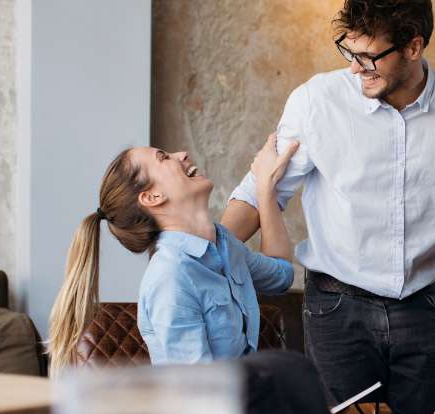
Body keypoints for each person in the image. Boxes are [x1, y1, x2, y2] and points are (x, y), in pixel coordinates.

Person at [220, 0, 435, 414]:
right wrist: (200, 251)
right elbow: (259, 192)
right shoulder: (316, 101)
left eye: (369, 57)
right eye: (349, 52)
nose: (356, 69)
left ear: (414, 46)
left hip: (424, 310)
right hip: (337, 313)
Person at [47, 134, 296, 369]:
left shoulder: (224, 245)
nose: (182, 154)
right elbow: (198, 395)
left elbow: (281, 275)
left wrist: (266, 189)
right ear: (153, 196)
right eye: (164, 157)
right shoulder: (170, 278)